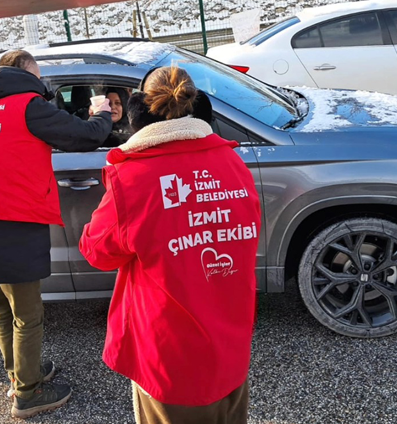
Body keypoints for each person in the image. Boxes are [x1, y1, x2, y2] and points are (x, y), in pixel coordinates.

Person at [79, 67, 261, 424]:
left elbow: (97, 251)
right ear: (197, 107)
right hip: (230, 346)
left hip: (170, 359)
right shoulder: (232, 161)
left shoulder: (134, 177)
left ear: (141, 111)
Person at [0, 50, 112, 419]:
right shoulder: (28, 105)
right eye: (37, 78)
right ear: (23, 75)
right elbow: (86, 137)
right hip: (12, 223)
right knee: (27, 315)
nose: (41, 86)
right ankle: (28, 393)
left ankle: (22, 375)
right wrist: (103, 112)